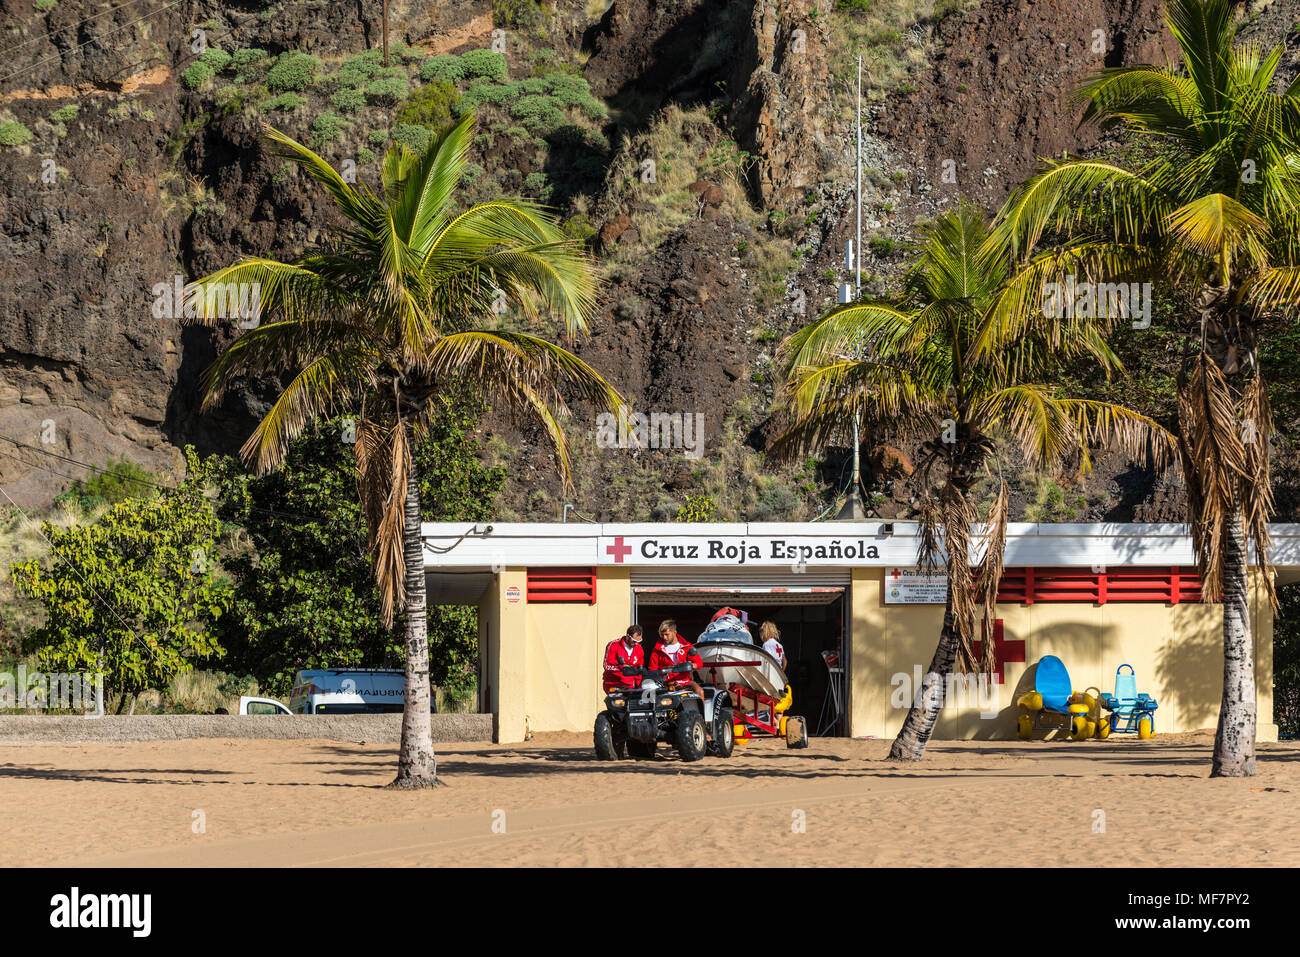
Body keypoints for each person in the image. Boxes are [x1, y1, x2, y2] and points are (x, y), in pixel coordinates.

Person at [648, 619, 704, 699]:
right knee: (680, 694)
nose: (664, 637)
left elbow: (699, 663)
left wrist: (692, 665)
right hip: (668, 683)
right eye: (662, 635)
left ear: (674, 632)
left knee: (700, 691)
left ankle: (703, 712)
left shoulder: (686, 646)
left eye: (667, 634)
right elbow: (652, 669)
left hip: (686, 681)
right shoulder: (658, 649)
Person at [602, 624, 645, 692]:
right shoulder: (614, 645)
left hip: (629, 686)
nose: (636, 644)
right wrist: (622, 667)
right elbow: (606, 666)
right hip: (613, 684)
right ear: (628, 636)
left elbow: (639, 668)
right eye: (634, 641)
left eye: (639, 641)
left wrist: (638, 685)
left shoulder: (639, 648)